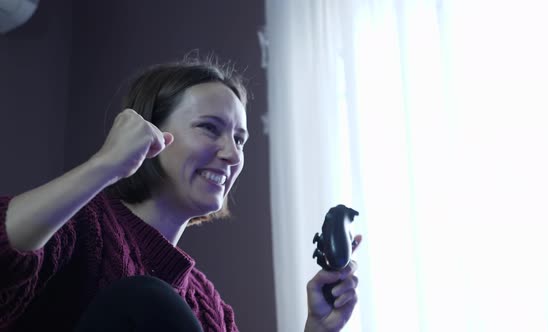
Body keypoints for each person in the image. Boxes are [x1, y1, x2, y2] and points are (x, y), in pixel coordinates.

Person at [0, 57, 360, 332]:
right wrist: (105, 164)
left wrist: (316, 328)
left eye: (239, 139)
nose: (233, 154)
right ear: (148, 133)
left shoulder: (208, 305)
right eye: (209, 128)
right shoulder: (81, 224)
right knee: (144, 297)